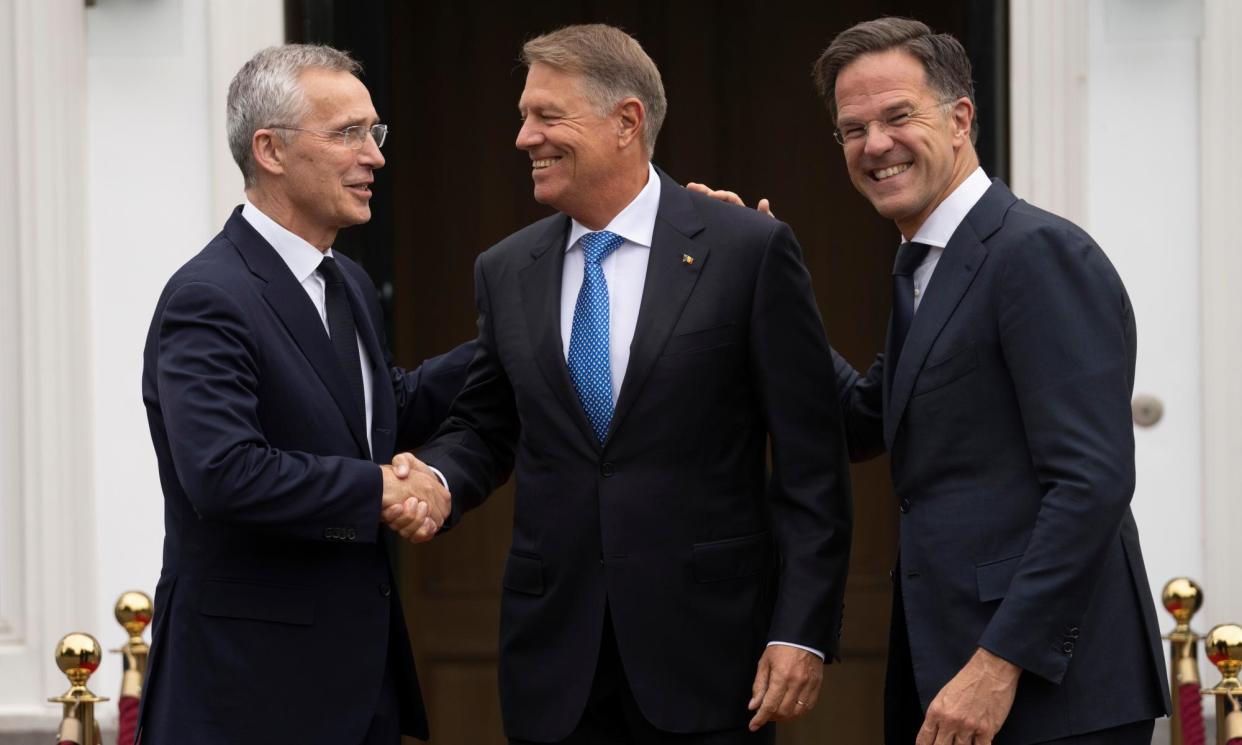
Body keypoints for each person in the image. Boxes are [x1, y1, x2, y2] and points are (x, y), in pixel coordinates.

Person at [694, 16, 1170, 745]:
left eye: (897, 116)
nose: (874, 144)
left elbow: (1091, 483)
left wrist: (998, 663)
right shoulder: (926, 270)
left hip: (1049, 692)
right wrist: (765, 288)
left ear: (960, 118)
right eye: (853, 129)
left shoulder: (1034, 252)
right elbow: (860, 422)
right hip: (952, 672)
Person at [385, 23, 852, 745]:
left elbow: (812, 465)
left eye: (546, 115)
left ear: (626, 121)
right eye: (521, 116)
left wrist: (803, 630)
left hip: (709, 662)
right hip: (555, 667)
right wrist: (438, 481)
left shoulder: (745, 250)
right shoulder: (506, 269)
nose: (523, 137)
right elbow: (484, 425)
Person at [139, 44, 471, 745]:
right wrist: (382, 488)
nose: (374, 156)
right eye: (347, 133)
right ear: (271, 150)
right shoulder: (208, 296)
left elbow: (381, 412)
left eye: (373, 133)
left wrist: (535, 328)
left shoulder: (344, 281)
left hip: (358, 693)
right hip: (246, 697)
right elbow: (225, 472)